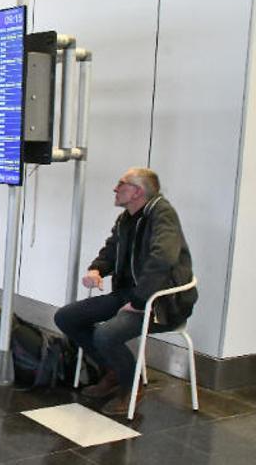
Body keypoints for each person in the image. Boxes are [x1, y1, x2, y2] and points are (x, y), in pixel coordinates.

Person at [54, 168, 197, 416]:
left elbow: (162, 259)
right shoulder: (126, 218)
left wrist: (140, 301)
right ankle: (114, 372)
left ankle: (132, 387)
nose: (115, 188)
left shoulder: (162, 214)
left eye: (121, 184)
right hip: (130, 295)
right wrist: (97, 270)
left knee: (106, 335)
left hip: (161, 302)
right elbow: (111, 250)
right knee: (66, 317)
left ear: (137, 191)